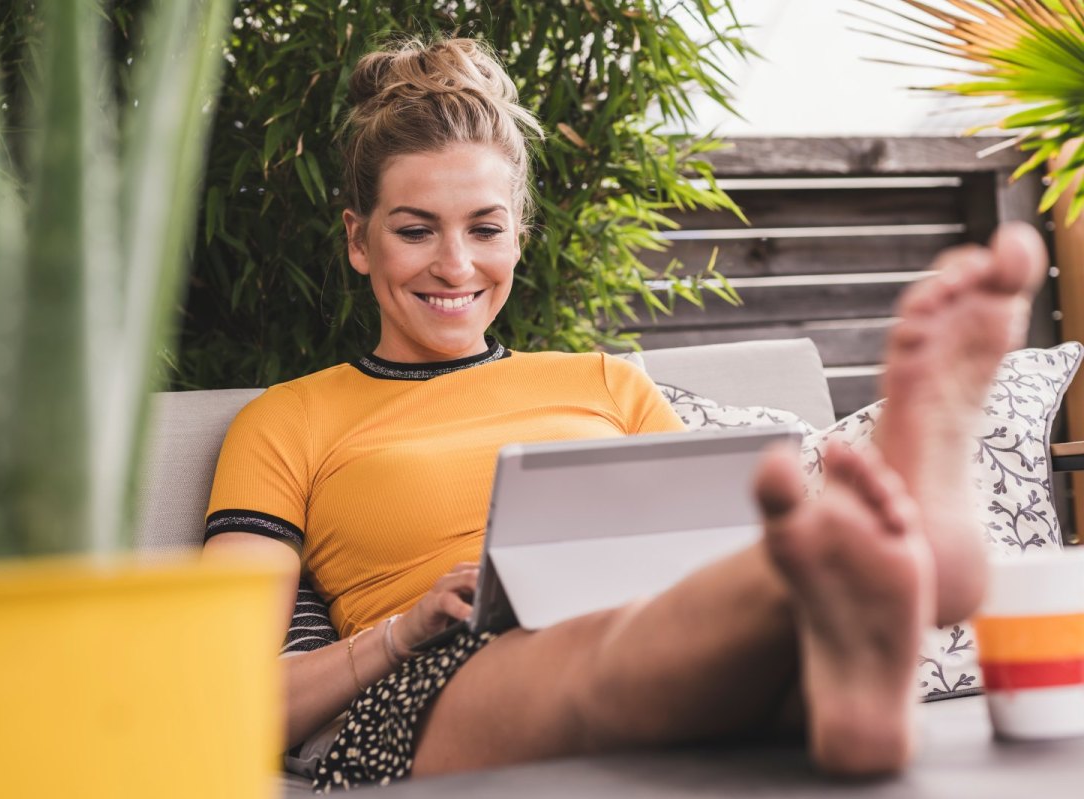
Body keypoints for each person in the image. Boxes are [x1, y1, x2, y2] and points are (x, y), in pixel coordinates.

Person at [202, 37, 1047, 792]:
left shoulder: (608, 381)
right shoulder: (286, 421)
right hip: (430, 683)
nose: (455, 264)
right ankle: (862, 570)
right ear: (360, 240)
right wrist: (399, 628)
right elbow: (218, 692)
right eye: (416, 230)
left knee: (714, 596)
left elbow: (706, 559)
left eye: (484, 228)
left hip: (660, 629)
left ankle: (846, 677)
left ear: (519, 235)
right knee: (603, 649)